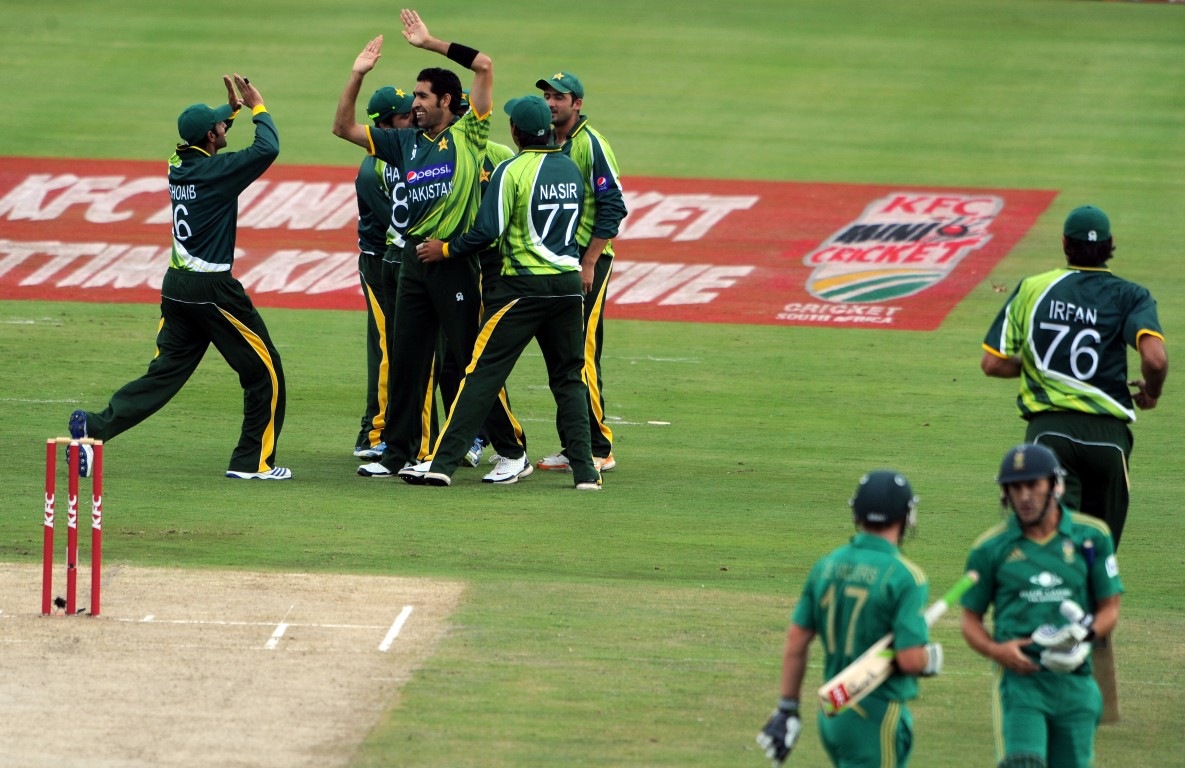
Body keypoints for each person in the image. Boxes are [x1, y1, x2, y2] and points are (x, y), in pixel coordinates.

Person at [333, 11, 529, 483]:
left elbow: (483, 65)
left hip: (455, 262)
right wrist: (357, 76)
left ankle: (512, 450)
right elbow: (343, 129)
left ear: (447, 100)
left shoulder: (470, 133)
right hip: (412, 263)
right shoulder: (405, 144)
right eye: (415, 97)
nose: (415, 103)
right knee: (405, 358)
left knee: (466, 360)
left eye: (423, 96)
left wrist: (429, 43)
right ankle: (397, 452)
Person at [68, 74, 289, 480]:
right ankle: (252, 463)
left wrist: (231, 113)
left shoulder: (177, 164)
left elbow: (205, 141)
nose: (224, 129)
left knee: (164, 375)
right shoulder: (217, 171)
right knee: (265, 372)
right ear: (209, 137)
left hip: (177, 288)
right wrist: (258, 106)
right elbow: (268, 147)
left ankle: (93, 429)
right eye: (220, 126)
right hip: (213, 290)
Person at [397, 95, 600, 490]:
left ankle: (442, 463)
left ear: (515, 132)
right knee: (569, 379)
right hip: (568, 287)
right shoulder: (572, 169)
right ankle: (586, 472)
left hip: (522, 287)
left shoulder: (512, 170)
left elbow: (487, 231)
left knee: (481, 374)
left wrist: (447, 249)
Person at [981, 204, 1168, 550]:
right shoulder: (1131, 296)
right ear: (1110, 244)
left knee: (1048, 551)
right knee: (1098, 560)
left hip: (1049, 439)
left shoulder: (1033, 289)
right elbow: (1155, 360)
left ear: (1065, 243)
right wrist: (1151, 392)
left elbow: (992, 363)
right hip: (1109, 443)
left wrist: (1042, 363)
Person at [756, 470, 941, 767]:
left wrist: (787, 708)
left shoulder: (826, 566)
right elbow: (908, 659)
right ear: (905, 517)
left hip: (834, 709)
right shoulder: (906, 577)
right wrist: (928, 659)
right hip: (875, 713)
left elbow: (796, 638)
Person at [960, 443, 1123, 768]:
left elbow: (1110, 608)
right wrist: (997, 651)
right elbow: (969, 620)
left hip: (1076, 681)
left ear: (1054, 485)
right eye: (1015, 487)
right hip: (1021, 684)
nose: (1024, 496)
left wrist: (1084, 635)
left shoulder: (1092, 536)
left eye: (1033, 484)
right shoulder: (989, 548)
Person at [533, 71, 627, 475]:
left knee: (582, 354)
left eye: (560, 97)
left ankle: (599, 447)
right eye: (548, 96)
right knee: (563, 355)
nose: (552, 103)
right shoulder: (550, 141)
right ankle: (575, 444)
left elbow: (614, 206)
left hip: (587, 264)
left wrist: (588, 261)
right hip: (558, 265)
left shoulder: (591, 144)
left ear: (578, 104)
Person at [352, 86, 414, 462]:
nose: (414, 118)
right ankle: (373, 431)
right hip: (381, 265)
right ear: (385, 124)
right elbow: (399, 225)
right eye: (406, 116)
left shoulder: (402, 153)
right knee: (386, 348)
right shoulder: (373, 171)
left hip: (398, 260)